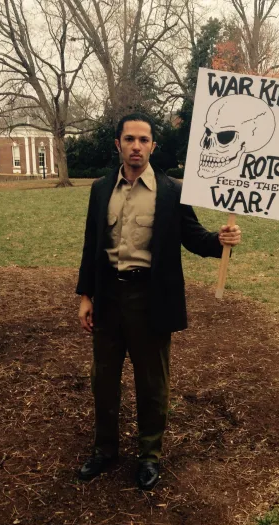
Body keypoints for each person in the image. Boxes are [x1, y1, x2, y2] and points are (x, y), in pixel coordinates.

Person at [76, 112, 241, 490]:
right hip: (108, 298)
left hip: (151, 299)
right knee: (103, 380)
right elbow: (91, 245)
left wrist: (221, 240)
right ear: (118, 144)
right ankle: (105, 450)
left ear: (153, 146)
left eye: (143, 140)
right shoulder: (101, 189)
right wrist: (86, 296)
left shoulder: (172, 191)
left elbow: (195, 238)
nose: (136, 146)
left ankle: (149, 455)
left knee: (152, 384)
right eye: (129, 139)